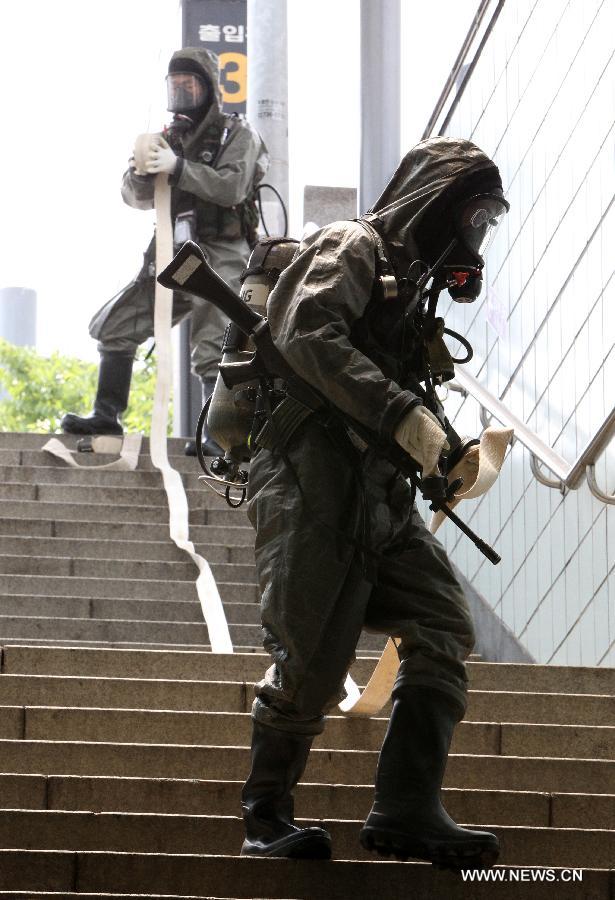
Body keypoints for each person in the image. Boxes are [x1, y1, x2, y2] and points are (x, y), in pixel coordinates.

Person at [240, 137, 509, 870]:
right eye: (472, 213)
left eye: (488, 219)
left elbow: (403, 394)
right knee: (311, 658)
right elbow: (304, 334)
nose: (476, 231)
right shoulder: (350, 244)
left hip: (378, 491)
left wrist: (439, 451)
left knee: (443, 623)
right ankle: (264, 817)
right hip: (307, 477)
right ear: (436, 202)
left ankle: (406, 808)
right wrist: (404, 420)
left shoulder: (411, 294)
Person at [61, 48, 268, 454]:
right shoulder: (167, 137)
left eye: (189, 84)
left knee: (215, 342)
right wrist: (142, 168)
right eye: (175, 85)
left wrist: (180, 168)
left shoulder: (236, 134)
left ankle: (217, 435)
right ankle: (107, 414)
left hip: (220, 251)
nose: (182, 92)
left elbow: (232, 188)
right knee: (117, 324)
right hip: (170, 251)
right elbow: (132, 195)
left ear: (208, 87)